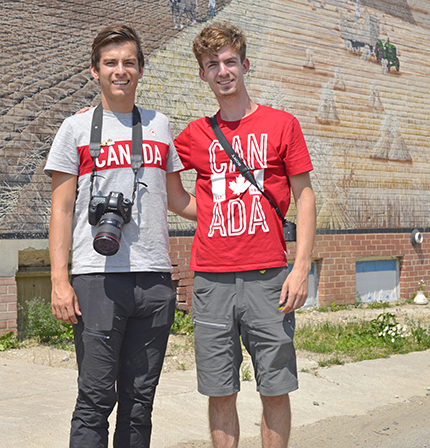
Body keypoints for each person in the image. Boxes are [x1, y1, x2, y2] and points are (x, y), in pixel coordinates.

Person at [44, 24, 196, 448]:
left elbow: (180, 199)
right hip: (97, 279)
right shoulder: (74, 130)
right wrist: (60, 280)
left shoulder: (159, 125)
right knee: (94, 400)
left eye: (129, 62)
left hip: (153, 279)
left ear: (141, 70)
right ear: (95, 71)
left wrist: (237, 205)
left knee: (139, 402)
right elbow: (61, 208)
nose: (120, 70)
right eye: (110, 63)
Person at [173, 22, 316, 448]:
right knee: (220, 388)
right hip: (211, 278)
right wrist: (215, 212)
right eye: (211, 64)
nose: (222, 71)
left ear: (245, 64)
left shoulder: (282, 125)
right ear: (202, 74)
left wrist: (301, 266)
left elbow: (304, 196)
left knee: (274, 385)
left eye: (229, 61)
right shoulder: (194, 135)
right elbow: (171, 190)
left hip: (269, 276)